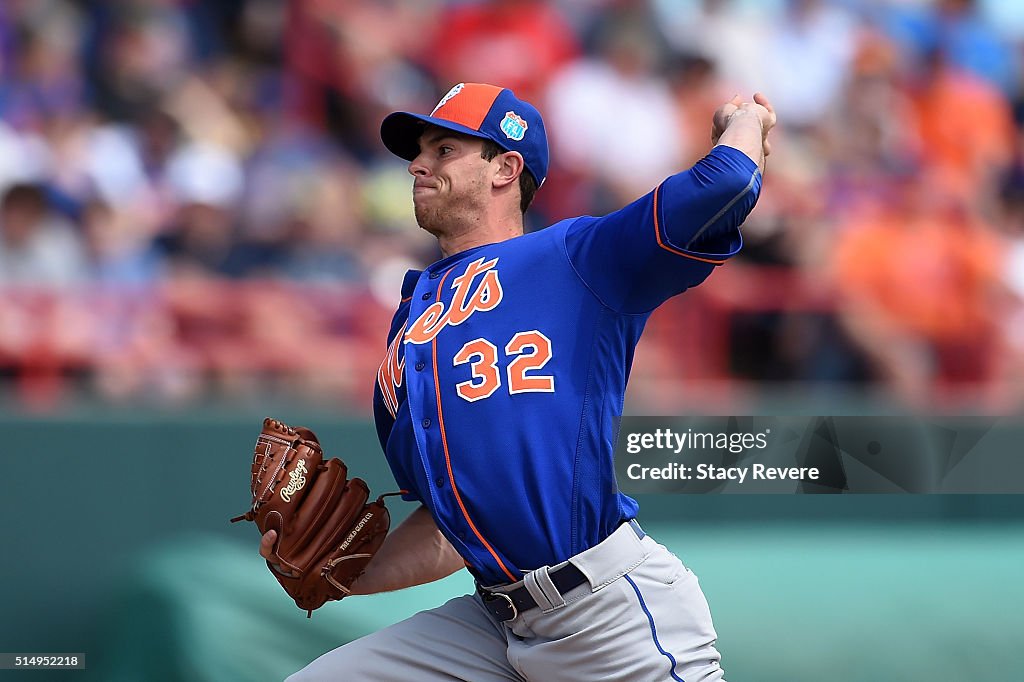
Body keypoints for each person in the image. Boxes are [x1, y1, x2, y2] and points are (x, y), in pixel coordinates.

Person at [263, 82, 774, 681]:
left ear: (506, 167)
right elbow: (449, 528)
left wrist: (745, 121)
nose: (418, 164)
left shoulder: (576, 258)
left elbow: (729, 183)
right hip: (493, 624)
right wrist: (342, 572)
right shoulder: (411, 332)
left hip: (605, 613)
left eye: (444, 148)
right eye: (418, 152)